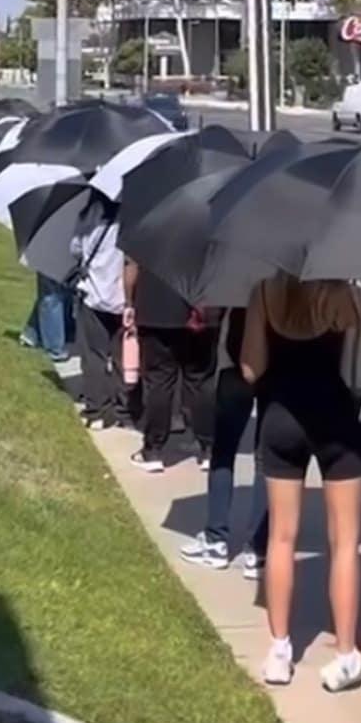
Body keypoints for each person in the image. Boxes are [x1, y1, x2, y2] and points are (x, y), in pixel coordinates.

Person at [241, 274, 361, 694]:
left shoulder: (264, 292)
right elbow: (358, 367)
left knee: (281, 537)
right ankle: (345, 654)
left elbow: (251, 369)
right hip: (336, 417)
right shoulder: (345, 294)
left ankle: (280, 651)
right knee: (345, 542)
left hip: (281, 417)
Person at [181, 304, 268, 576]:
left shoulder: (236, 281)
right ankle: (258, 548)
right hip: (275, 370)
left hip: (236, 363)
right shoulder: (287, 285)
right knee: (265, 462)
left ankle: (216, 538)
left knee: (223, 453)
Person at [123, 254, 216, 474]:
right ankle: (209, 448)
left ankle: (153, 449)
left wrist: (129, 302)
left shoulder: (146, 232)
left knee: (159, 381)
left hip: (156, 308)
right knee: (200, 380)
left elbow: (131, 265)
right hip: (201, 308)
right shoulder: (212, 231)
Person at [73, 214, 129, 430]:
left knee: (93, 356)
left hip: (94, 296)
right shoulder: (137, 216)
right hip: (125, 300)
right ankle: (124, 409)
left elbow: (75, 248)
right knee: (123, 358)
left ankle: (97, 410)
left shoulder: (92, 215)